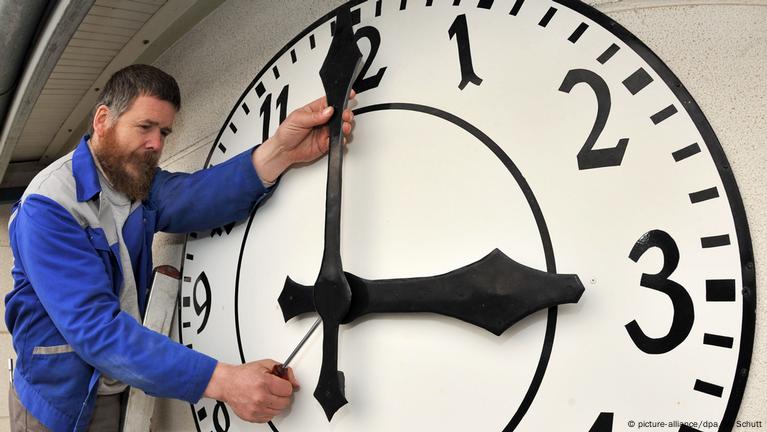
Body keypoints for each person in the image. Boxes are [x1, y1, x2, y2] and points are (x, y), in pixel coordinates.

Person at [4, 64, 355, 431]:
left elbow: (197, 195)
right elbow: (95, 329)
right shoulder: (48, 207)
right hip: (58, 402)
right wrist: (225, 382)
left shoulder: (132, 180)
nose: (156, 144)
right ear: (103, 119)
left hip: (118, 383)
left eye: (164, 132)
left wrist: (282, 151)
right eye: (145, 127)